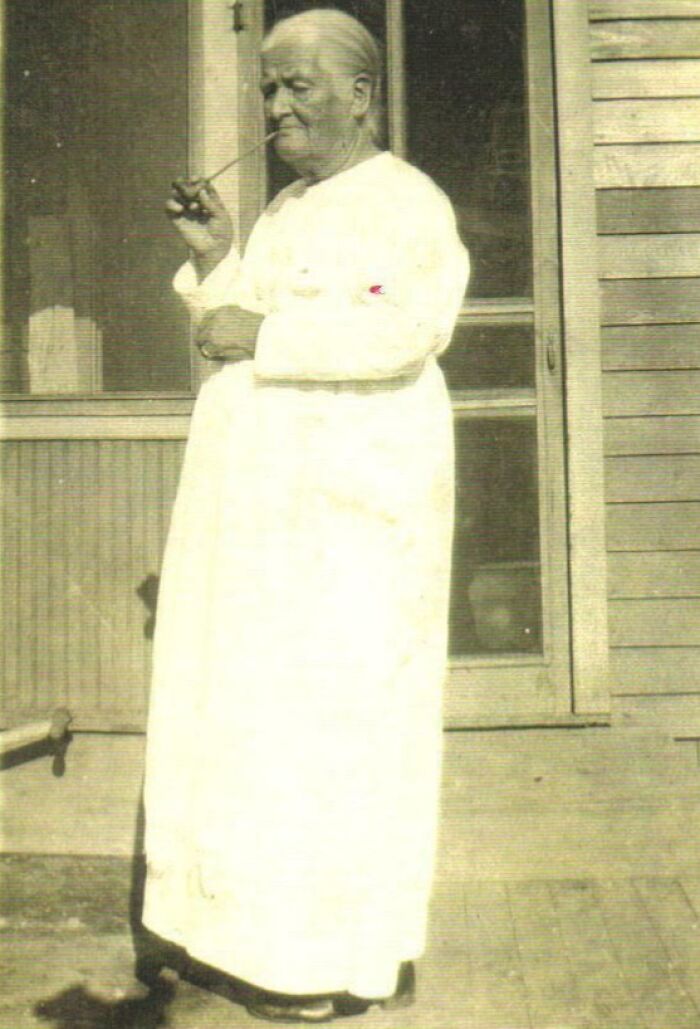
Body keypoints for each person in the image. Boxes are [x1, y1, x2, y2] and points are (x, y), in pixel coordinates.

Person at [140, 8, 469, 1024]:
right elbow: (238, 325)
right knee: (256, 726)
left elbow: (401, 330)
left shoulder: (403, 204)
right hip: (266, 527)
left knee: (333, 730)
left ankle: (327, 964)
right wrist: (221, 252)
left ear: (363, 94)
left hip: (346, 528)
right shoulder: (286, 209)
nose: (276, 106)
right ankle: (253, 944)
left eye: (298, 87)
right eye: (269, 89)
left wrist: (260, 330)